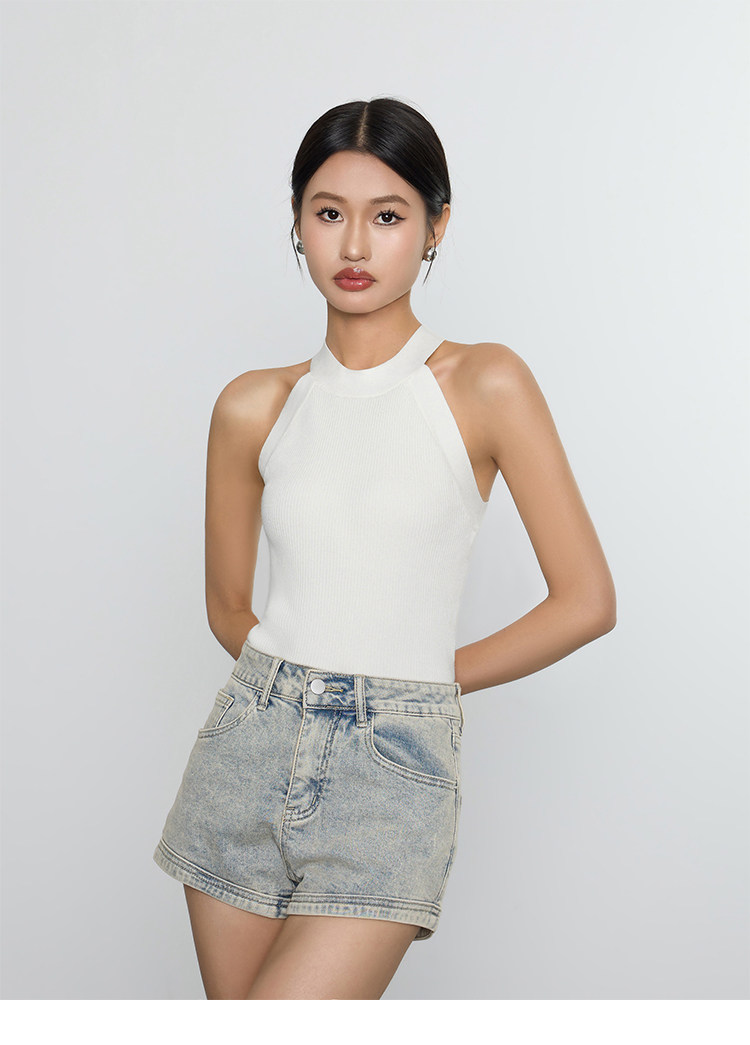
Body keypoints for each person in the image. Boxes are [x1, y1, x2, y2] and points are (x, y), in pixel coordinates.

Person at [152, 96, 616, 1000]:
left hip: (393, 767)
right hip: (245, 754)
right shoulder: (252, 404)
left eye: (389, 216)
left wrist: (412, 687)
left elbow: (586, 601)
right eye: (329, 213)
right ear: (297, 223)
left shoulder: (484, 382)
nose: (355, 245)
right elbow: (227, 606)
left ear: (436, 226)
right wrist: (292, 687)